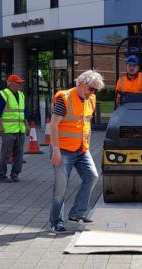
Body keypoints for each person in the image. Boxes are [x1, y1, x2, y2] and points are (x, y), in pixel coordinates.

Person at [49, 70, 104, 233]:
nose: (93, 93)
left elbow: (85, 123)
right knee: (61, 189)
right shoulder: (64, 98)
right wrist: (56, 150)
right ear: (80, 83)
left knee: (92, 176)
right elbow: (53, 125)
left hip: (81, 149)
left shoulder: (91, 99)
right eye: (91, 89)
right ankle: (56, 222)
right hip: (63, 150)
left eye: (95, 90)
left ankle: (77, 214)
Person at [0, 74, 29, 183]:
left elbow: (24, 112)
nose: (19, 85)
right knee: (6, 153)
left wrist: (26, 125)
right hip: (8, 129)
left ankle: (15, 174)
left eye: (20, 83)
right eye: (17, 83)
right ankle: (1, 175)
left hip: (20, 129)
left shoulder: (21, 95)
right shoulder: (4, 94)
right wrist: (0, 126)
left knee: (19, 154)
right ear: (11, 83)